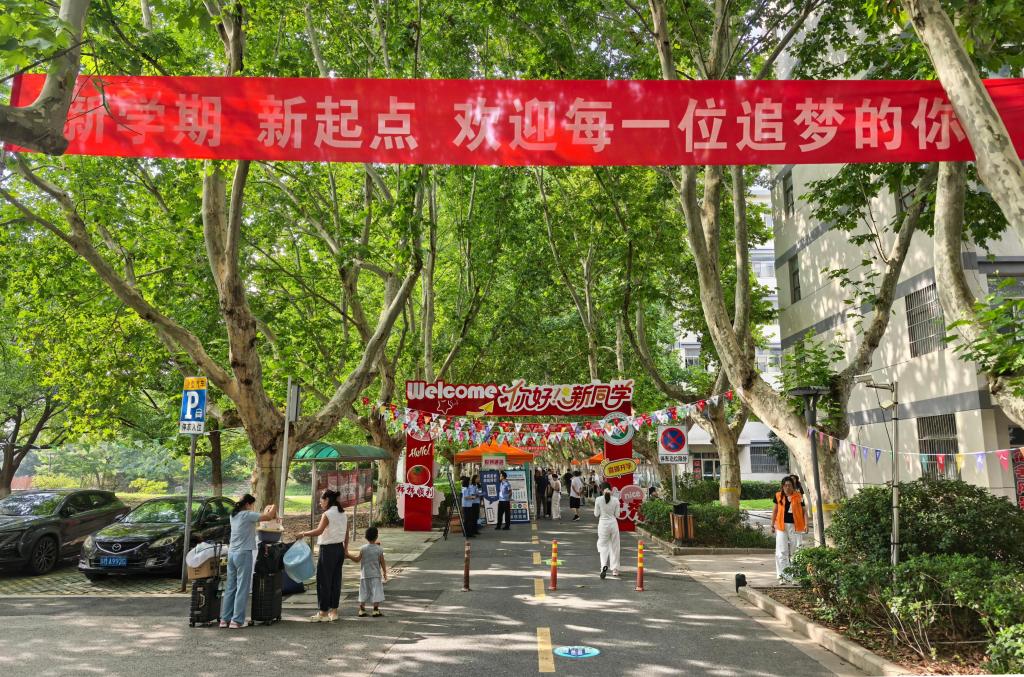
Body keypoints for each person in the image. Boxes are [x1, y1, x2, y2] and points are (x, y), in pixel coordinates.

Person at [219, 494, 277, 628]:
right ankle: (237, 620)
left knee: (230, 587)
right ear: (247, 504)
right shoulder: (247, 515)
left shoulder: (233, 515)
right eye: (252, 505)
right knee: (242, 587)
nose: (252, 507)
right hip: (243, 553)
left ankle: (225, 619)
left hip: (231, 553)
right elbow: (268, 517)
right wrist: (274, 505)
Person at [298, 489, 348, 622]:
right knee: (336, 581)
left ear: (327, 500)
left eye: (321, 501)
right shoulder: (343, 513)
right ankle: (334, 611)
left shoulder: (327, 514)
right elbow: (347, 533)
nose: (320, 503)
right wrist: (346, 549)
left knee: (324, 581)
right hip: (339, 549)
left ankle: (323, 612)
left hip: (328, 550)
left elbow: (319, 531)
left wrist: (303, 533)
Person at [772, 477, 806, 584]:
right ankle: (782, 576)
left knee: (796, 551)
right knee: (781, 551)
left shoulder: (799, 496)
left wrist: (806, 524)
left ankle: (795, 577)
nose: (787, 487)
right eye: (785, 485)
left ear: (793, 486)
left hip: (796, 526)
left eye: (789, 485)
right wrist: (772, 524)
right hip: (781, 526)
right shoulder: (778, 496)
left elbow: (804, 511)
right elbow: (775, 510)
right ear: (782, 486)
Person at [347, 526, 387, 617]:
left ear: (366, 537)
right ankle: (375, 610)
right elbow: (382, 561)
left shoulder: (363, 548)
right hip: (376, 575)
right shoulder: (379, 549)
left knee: (363, 591)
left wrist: (349, 555)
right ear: (376, 536)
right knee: (376, 592)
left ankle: (362, 609)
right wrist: (385, 572)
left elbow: (357, 559)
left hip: (364, 575)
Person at [594, 484, 621, 578]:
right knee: (615, 547)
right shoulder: (616, 500)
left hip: (603, 525)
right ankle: (615, 569)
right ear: (611, 489)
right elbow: (617, 515)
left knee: (603, 547)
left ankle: (603, 567)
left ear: (601, 490)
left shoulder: (598, 499)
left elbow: (596, 514)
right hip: (613, 524)